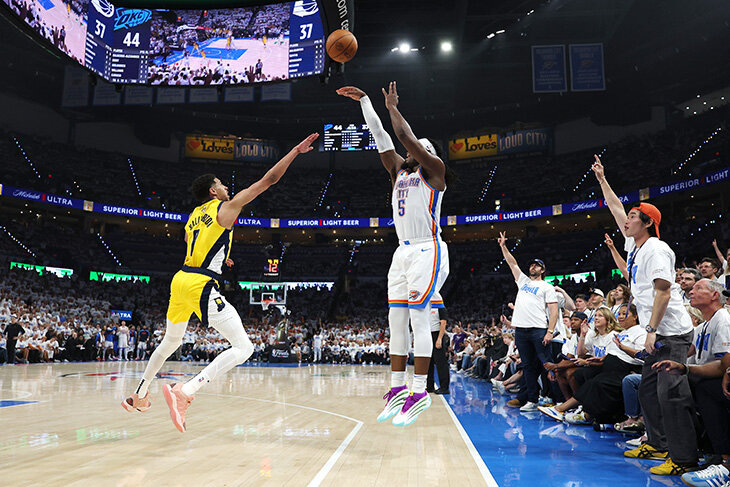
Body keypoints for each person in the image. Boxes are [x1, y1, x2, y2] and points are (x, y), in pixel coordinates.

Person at [122, 133, 319, 433]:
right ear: (213, 191)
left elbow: (191, 241)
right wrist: (295, 150)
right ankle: (186, 391)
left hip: (180, 280)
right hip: (200, 284)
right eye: (223, 184)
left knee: (170, 342)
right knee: (244, 347)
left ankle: (139, 394)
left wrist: (221, 257)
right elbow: (268, 180)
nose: (228, 187)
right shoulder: (224, 208)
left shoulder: (193, 215)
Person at [337, 83, 452, 427]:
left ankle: (420, 392)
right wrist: (365, 102)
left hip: (428, 248)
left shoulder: (435, 171)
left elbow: (403, 136)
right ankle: (398, 388)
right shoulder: (398, 173)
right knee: (395, 320)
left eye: (420, 147)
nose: (411, 150)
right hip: (402, 251)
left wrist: (392, 107)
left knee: (419, 320)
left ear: (427, 153)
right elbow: (382, 137)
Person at [593, 154, 697, 476]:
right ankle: (658, 443)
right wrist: (602, 180)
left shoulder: (656, 249)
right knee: (648, 391)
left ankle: (683, 458)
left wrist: (650, 330)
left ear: (648, 222)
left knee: (670, 394)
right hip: (657, 330)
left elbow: (663, 291)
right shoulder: (635, 247)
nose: (626, 220)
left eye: (633, 217)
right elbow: (615, 209)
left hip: (671, 333)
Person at [497, 232, 559, 411]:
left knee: (548, 364)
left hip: (539, 329)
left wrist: (550, 331)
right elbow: (512, 263)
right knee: (528, 367)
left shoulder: (547, 287)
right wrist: (503, 247)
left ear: (543, 270)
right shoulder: (523, 281)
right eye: (531, 265)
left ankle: (558, 400)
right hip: (521, 331)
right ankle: (532, 400)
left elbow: (554, 311)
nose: (533, 267)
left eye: (537, 265)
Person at [427, 302, 450, 394]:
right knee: (428, 361)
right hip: (428, 334)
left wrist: (439, 338)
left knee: (441, 363)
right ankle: (429, 386)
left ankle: (444, 387)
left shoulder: (440, 307)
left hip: (437, 334)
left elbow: (443, 323)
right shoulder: (427, 307)